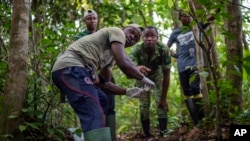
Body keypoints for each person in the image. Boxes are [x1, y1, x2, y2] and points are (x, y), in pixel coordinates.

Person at [51, 24, 155, 141]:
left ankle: (91, 136)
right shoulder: (116, 31)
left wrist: (128, 91)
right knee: (93, 112)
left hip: (75, 71)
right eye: (131, 32)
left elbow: (104, 83)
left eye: (136, 38)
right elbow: (124, 63)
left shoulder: (110, 57)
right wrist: (143, 78)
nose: (132, 36)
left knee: (103, 100)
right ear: (123, 28)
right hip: (71, 68)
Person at [167, 10, 217, 126]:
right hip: (182, 66)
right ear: (180, 19)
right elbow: (166, 47)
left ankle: (202, 119)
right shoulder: (175, 33)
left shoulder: (197, 27)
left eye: (189, 16)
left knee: (195, 88)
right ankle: (196, 122)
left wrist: (219, 6)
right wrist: (174, 54)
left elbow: (210, 17)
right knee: (187, 92)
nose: (187, 18)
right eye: (184, 16)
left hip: (196, 63)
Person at [74, 9, 117, 141]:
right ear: (84, 21)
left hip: (104, 71)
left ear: (97, 20)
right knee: (95, 103)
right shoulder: (80, 36)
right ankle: (98, 135)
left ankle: (112, 136)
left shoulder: (103, 34)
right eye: (89, 19)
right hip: (88, 72)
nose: (92, 21)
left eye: (94, 18)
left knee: (110, 104)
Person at [130, 26, 171, 138]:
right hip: (141, 76)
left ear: (157, 38)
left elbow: (166, 74)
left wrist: (163, 99)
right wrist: (137, 68)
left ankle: (163, 133)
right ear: (142, 38)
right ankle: (147, 134)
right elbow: (129, 67)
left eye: (153, 36)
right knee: (144, 105)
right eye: (146, 36)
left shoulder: (163, 49)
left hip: (157, 74)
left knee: (160, 102)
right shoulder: (136, 49)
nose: (149, 39)